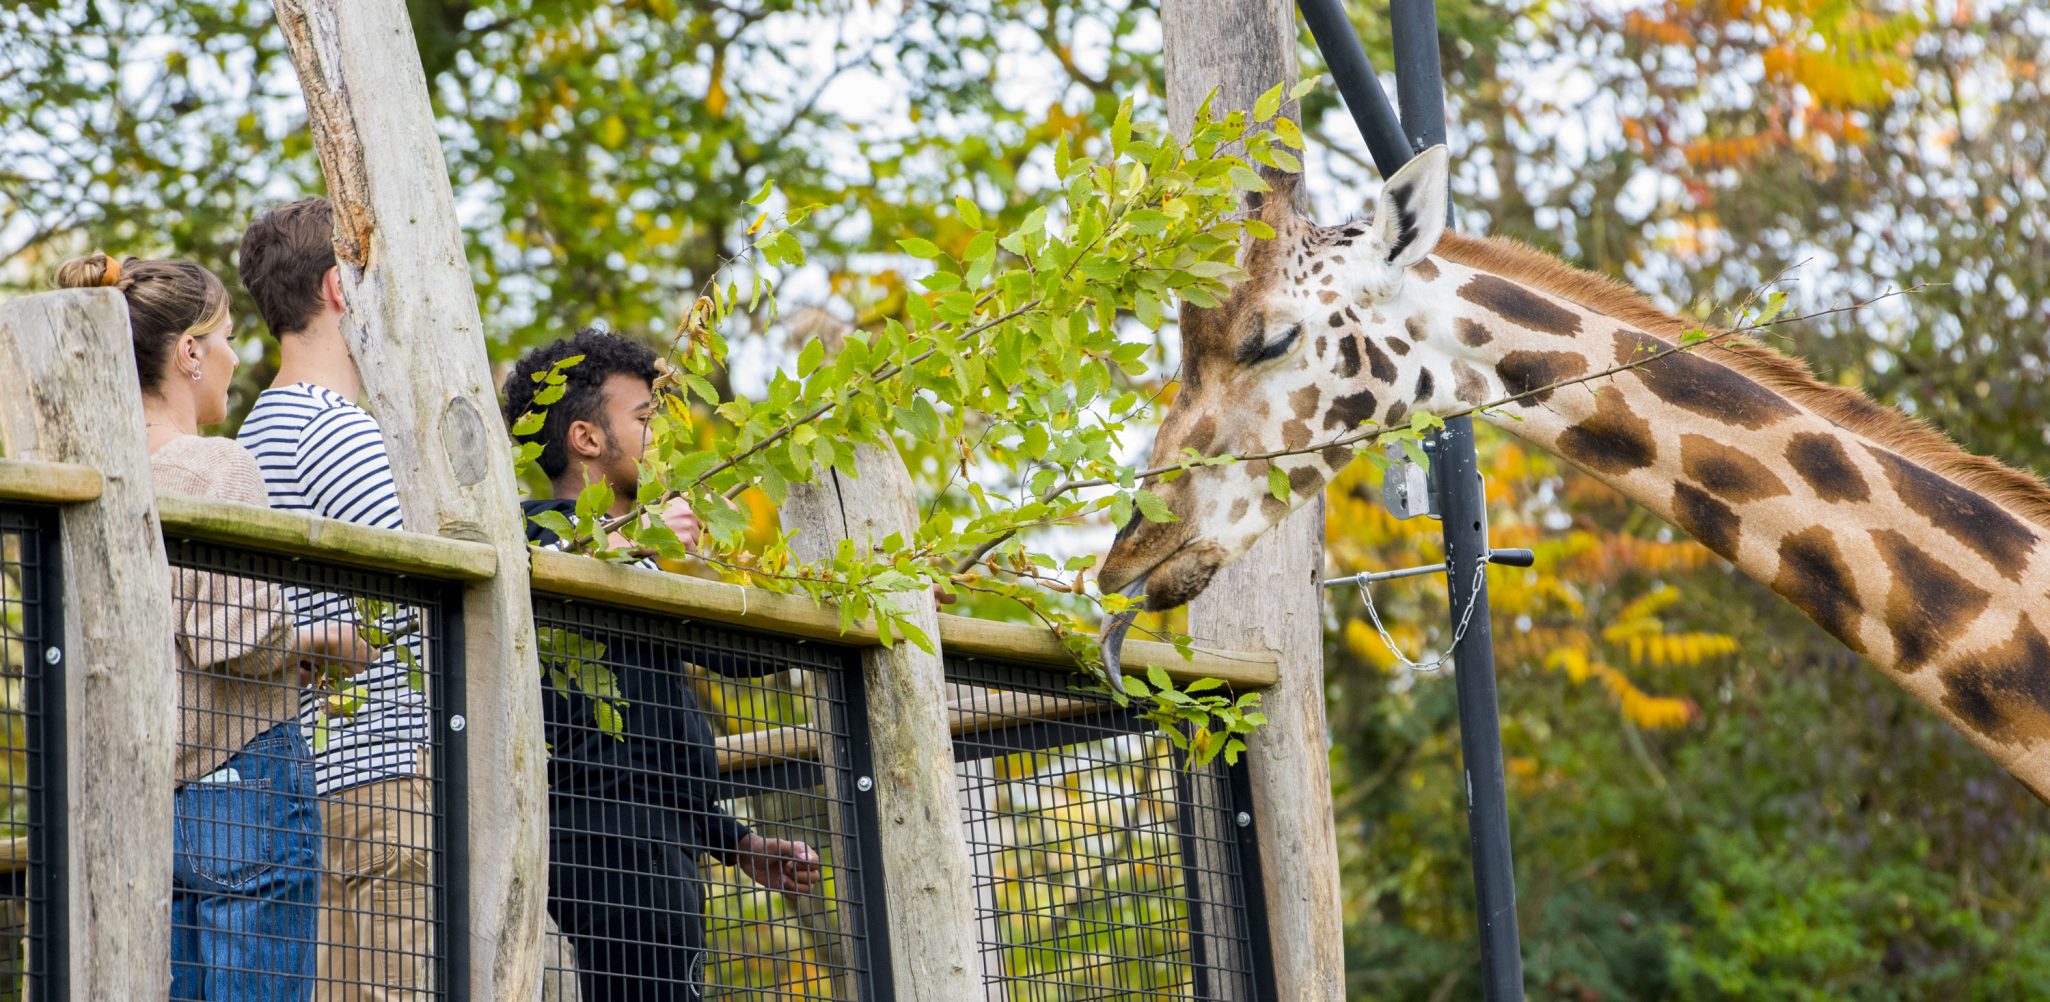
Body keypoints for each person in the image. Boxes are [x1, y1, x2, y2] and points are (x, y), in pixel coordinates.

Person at [57, 252, 362, 999]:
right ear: (190, 351)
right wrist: (326, 643)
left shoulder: (80, 477)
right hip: (244, 784)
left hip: (134, 799)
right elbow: (239, 638)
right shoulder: (212, 467)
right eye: (224, 336)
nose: (233, 356)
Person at [501, 328, 822, 1000]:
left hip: (661, 848)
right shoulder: (534, 534)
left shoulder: (637, 564)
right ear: (587, 438)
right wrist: (632, 540)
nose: (659, 438)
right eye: (644, 419)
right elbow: (543, 549)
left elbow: (727, 660)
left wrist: (735, 843)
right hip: (600, 846)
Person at [233, 197, 437, 999]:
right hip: (386, 778)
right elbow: (418, 607)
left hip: (316, 780)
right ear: (339, 289)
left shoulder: (259, 430)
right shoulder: (342, 430)